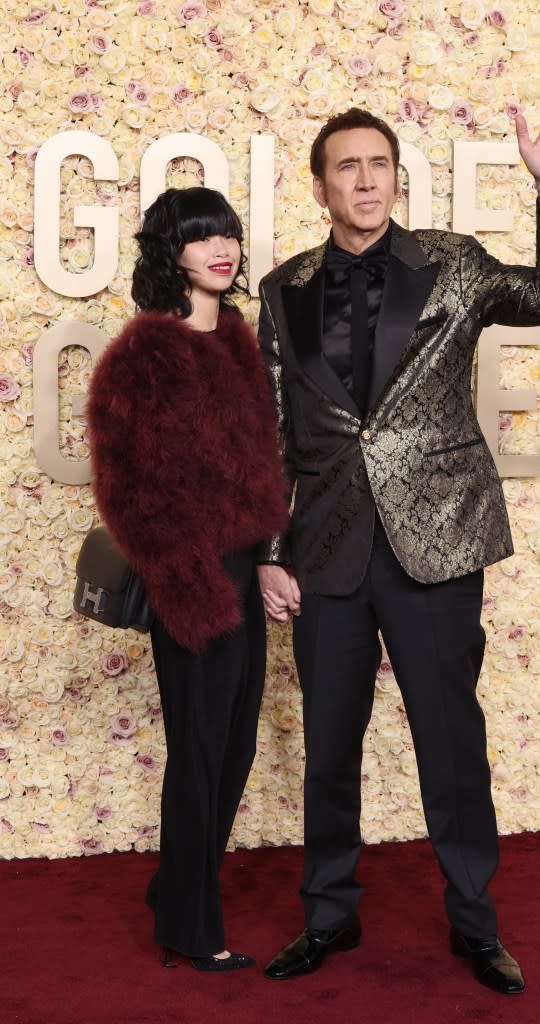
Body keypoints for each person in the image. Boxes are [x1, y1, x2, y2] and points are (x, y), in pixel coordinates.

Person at [256, 78, 540, 994]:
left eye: (377, 166)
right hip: (324, 548)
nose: (363, 182)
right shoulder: (281, 287)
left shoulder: (454, 261)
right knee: (328, 747)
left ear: (395, 180)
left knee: (450, 742)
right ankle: (328, 917)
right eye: (344, 169)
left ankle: (475, 926)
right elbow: (273, 427)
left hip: (436, 543)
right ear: (319, 187)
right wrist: (266, 551)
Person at [87, 187, 288, 971]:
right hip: (190, 580)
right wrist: (187, 583)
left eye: (227, 233)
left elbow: (265, 460)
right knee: (200, 748)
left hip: (242, 567)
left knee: (232, 744)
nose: (220, 248)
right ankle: (190, 927)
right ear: (170, 253)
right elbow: (124, 484)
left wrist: (270, 556)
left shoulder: (237, 335)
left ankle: (177, 881)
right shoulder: (145, 351)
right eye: (201, 237)